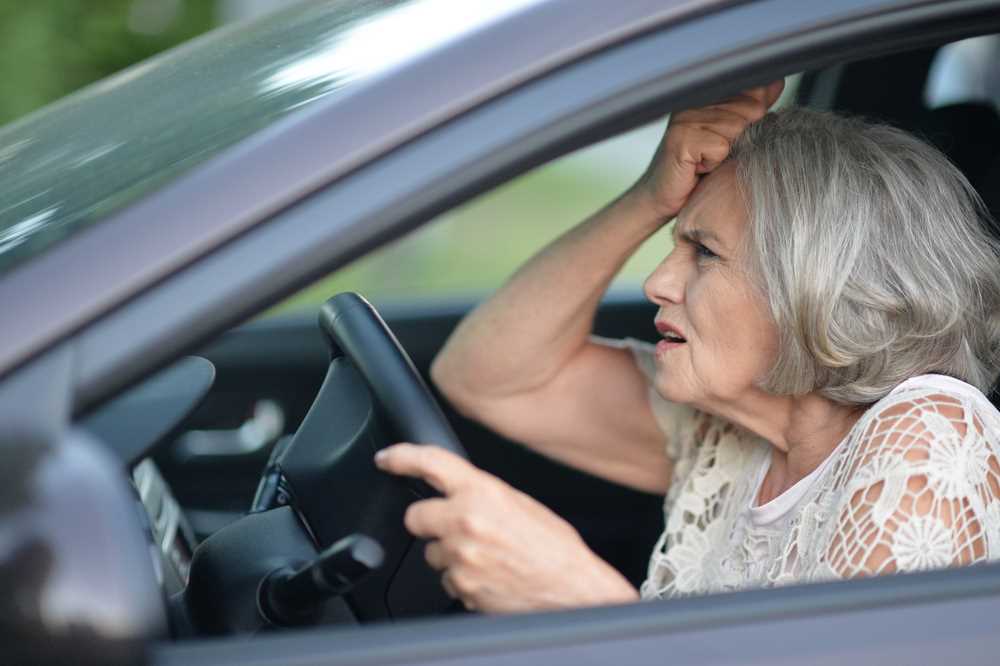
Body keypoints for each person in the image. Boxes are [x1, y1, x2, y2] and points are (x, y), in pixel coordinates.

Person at [374, 80, 1000, 613]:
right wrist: (651, 194)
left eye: (704, 252)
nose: (656, 282)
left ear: (816, 286)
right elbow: (485, 376)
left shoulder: (929, 432)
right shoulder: (730, 434)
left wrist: (580, 604)